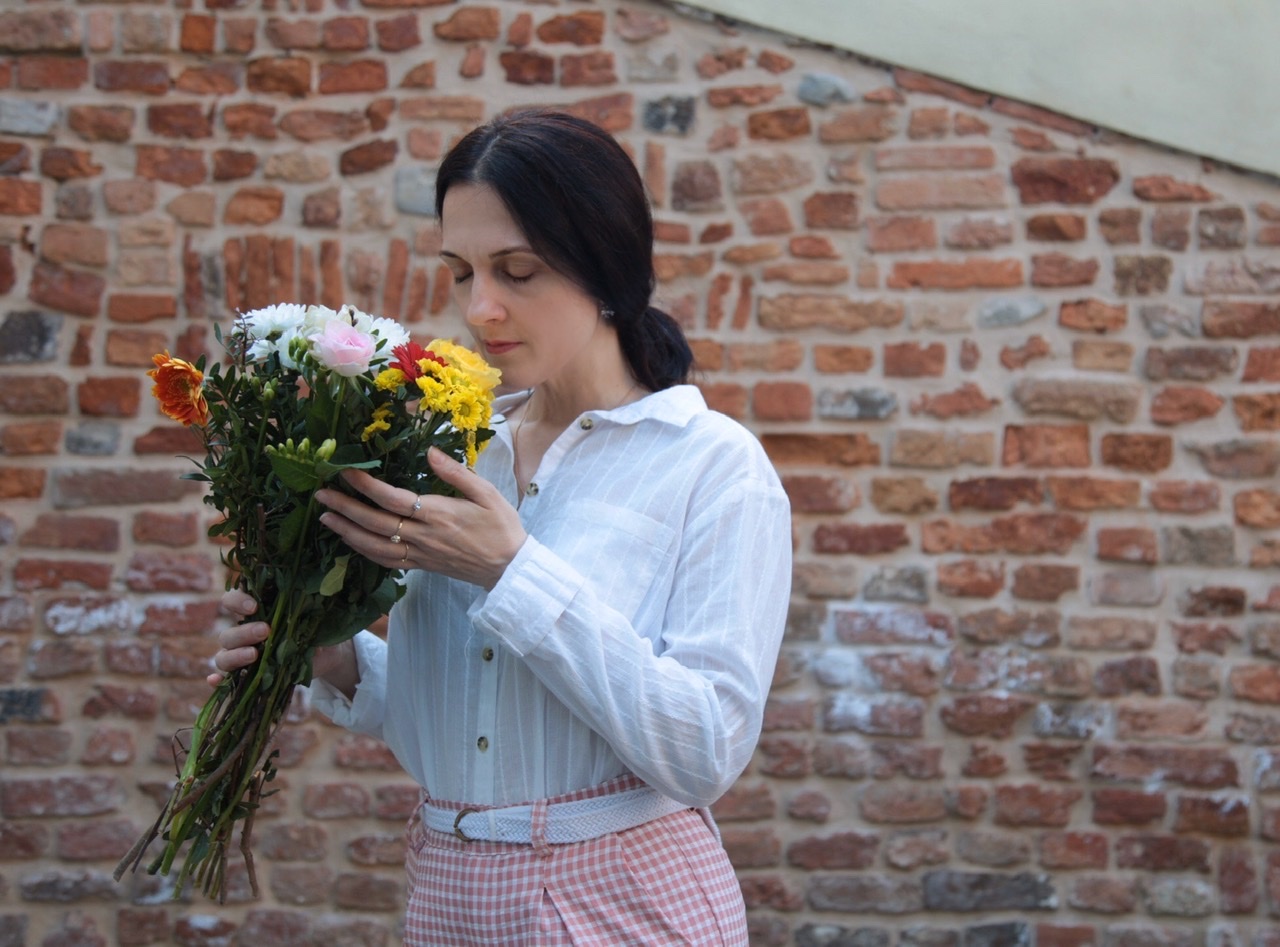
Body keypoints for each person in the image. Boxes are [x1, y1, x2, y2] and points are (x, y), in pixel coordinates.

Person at [212, 108, 792, 945]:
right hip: (448, 893)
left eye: (517, 270)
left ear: (607, 270)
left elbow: (704, 750)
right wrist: (330, 654)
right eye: (460, 271)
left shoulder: (712, 467)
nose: (480, 307)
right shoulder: (451, 451)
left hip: (624, 904)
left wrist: (514, 571)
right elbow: (462, 721)